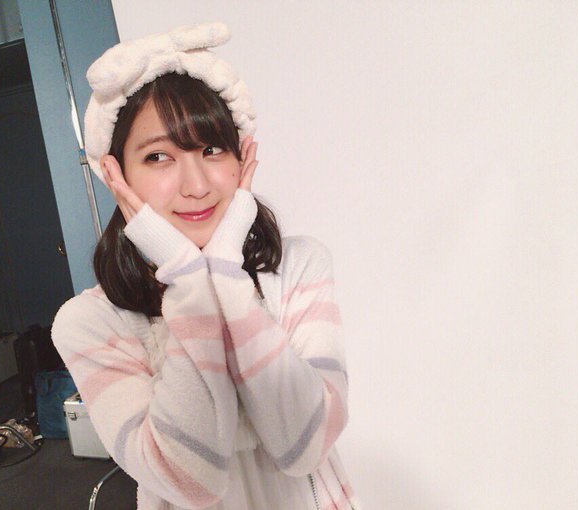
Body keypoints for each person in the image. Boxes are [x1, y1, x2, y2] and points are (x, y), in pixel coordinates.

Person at [51, 22, 362, 510]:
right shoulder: (89, 323)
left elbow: (304, 446)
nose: (196, 185)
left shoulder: (299, 267)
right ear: (115, 173)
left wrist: (226, 278)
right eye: (158, 157)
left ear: (241, 155)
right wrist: (189, 279)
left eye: (211, 149)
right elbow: (188, 481)